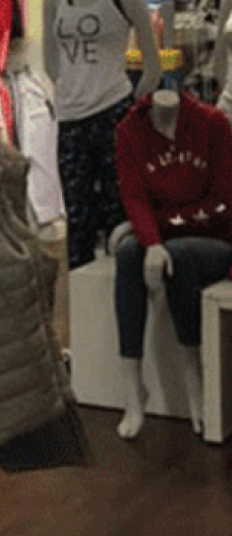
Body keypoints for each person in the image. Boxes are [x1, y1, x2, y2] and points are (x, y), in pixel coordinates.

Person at [111, 90, 232, 439]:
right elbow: (133, 195)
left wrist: (155, 230)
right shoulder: (129, 131)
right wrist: (150, 242)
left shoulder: (212, 123)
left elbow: (223, 201)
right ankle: (133, 388)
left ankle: (194, 377)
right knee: (127, 254)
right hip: (168, 235)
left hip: (217, 237)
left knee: (176, 254)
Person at [44, 0, 162, 269]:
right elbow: (50, 61)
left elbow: (153, 67)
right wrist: (68, 89)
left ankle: (123, 282)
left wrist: (132, 108)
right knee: (76, 213)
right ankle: (81, 286)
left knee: (119, 208)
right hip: (70, 116)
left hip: (113, 111)